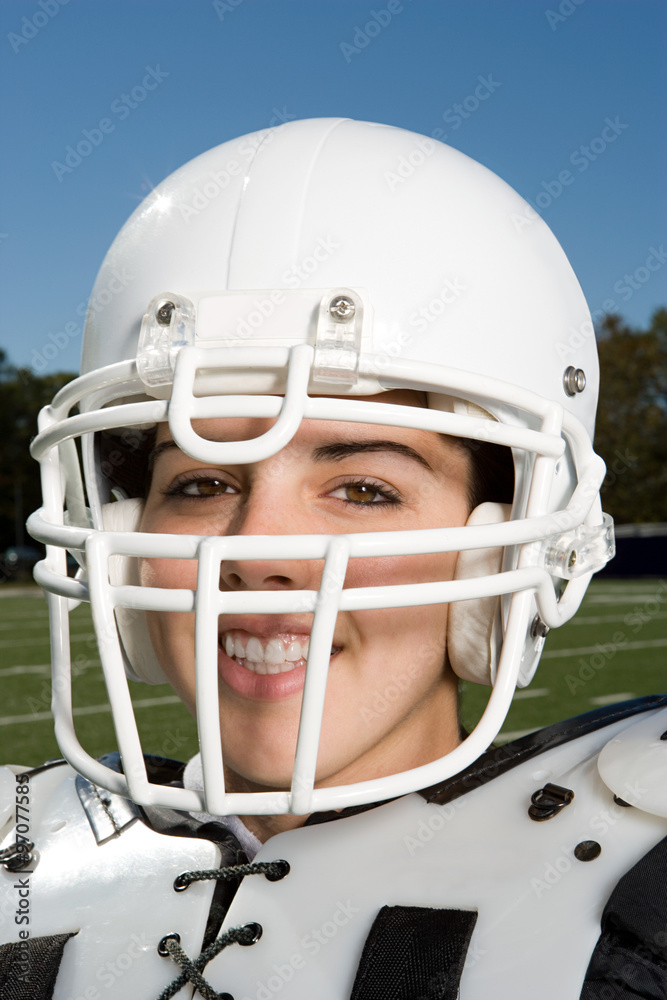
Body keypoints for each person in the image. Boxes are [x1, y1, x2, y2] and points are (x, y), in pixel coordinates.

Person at [1, 118, 665, 1000]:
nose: (257, 552)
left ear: (515, 534)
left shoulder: (632, 912)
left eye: (362, 490)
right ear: (123, 536)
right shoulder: (20, 862)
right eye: (200, 485)